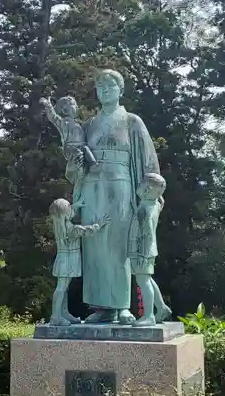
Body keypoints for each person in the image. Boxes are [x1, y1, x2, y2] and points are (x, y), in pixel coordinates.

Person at [66, 69, 161, 324]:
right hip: (92, 189)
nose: (105, 90)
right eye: (100, 86)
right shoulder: (89, 125)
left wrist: (148, 198)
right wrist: (76, 164)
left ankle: (121, 306)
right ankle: (101, 307)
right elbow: (75, 165)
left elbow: (149, 163)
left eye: (110, 85)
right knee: (95, 247)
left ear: (121, 90)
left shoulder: (132, 121)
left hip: (121, 188)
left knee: (119, 247)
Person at [49, 197, 110, 326]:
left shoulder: (60, 226)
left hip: (62, 259)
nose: (72, 210)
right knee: (61, 288)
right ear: (66, 214)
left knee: (63, 289)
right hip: (69, 261)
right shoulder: (72, 229)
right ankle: (55, 316)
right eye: (70, 209)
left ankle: (63, 313)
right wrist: (99, 223)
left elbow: (65, 213)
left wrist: (74, 205)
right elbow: (87, 230)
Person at [128, 173, 172, 326]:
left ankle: (149, 316)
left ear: (147, 189)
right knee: (147, 279)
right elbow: (161, 200)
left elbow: (146, 234)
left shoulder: (144, 210)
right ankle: (161, 308)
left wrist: (142, 253)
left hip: (142, 250)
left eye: (141, 184)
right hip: (147, 250)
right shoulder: (155, 204)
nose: (138, 187)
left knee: (143, 280)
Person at [40, 96, 95, 204]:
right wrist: (48, 106)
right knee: (79, 175)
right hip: (71, 149)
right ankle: (76, 201)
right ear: (65, 110)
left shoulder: (78, 123)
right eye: (74, 105)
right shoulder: (64, 122)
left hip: (82, 148)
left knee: (84, 172)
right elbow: (53, 117)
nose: (77, 107)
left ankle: (94, 165)